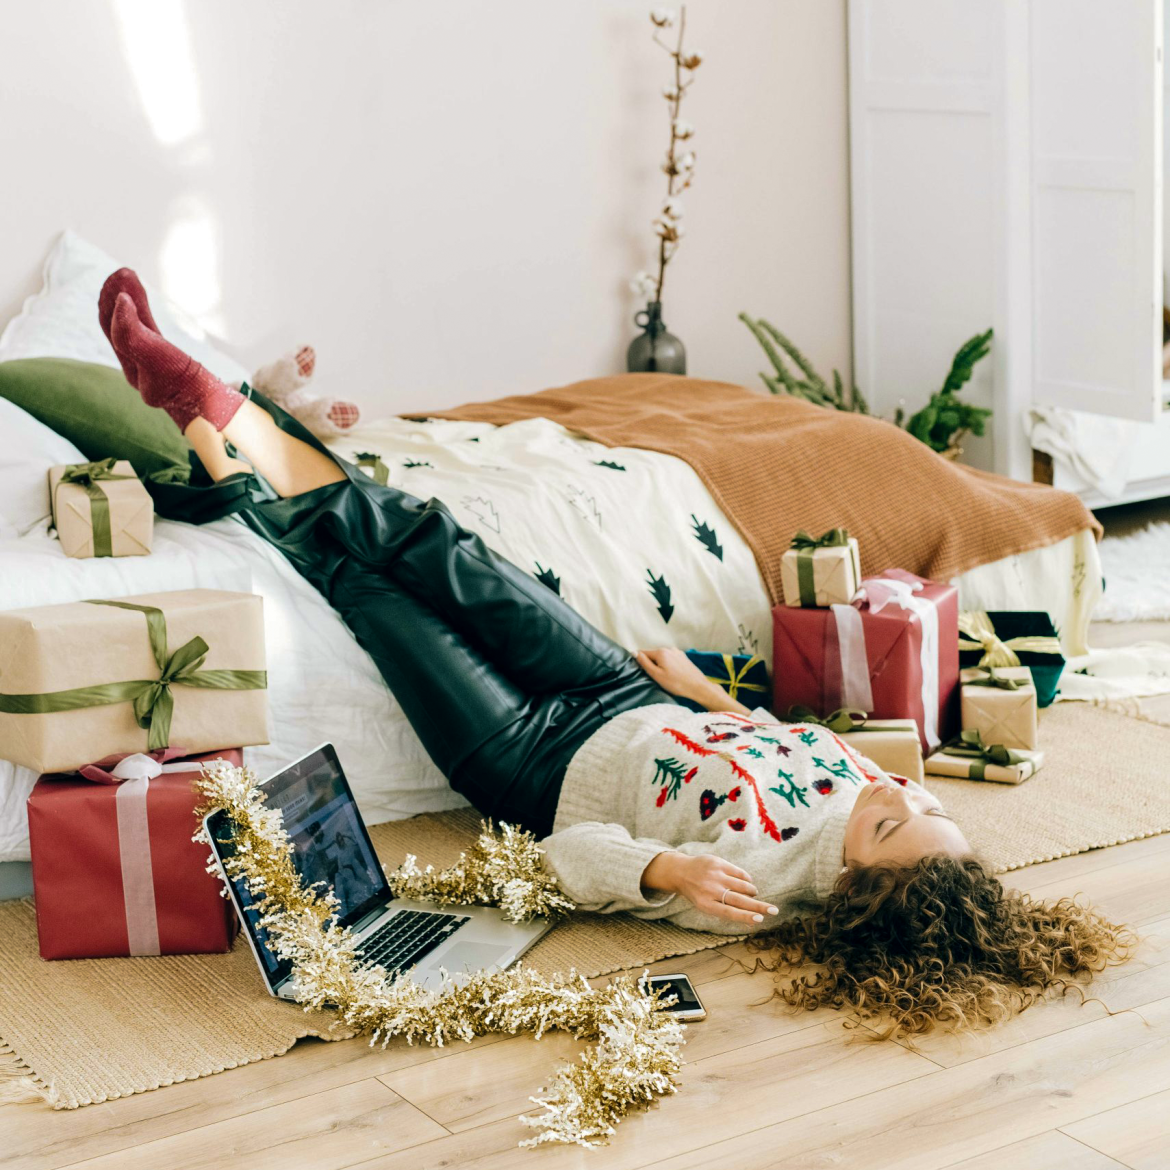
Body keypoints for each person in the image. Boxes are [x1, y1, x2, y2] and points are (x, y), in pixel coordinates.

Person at [97, 270, 1136, 1039]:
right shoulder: (873, 783)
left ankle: (214, 430)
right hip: (616, 691)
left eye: (893, 827)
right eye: (932, 809)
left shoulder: (755, 893)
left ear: (862, 887)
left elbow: (565, 863)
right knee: (433, 542)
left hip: (530, 761)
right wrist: (697, 694)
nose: (907, 799)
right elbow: (783, 747)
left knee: (368, 586)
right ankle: (219, 423)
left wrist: (662, 867)